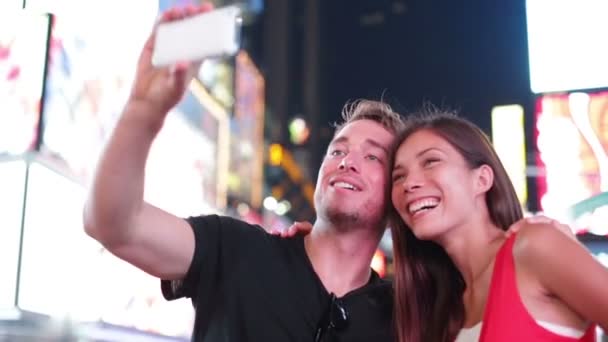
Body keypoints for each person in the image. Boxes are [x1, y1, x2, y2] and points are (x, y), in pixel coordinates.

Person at [82, 5, 403, 341]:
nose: (347, 160)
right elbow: (115, 225)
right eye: (337, 149)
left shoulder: (402, 317)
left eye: (373, 157)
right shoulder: (235, 248)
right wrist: (143, 110)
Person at [389, 107, 608, 341]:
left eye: (431, 161)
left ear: (482, 179)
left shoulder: (533, 246)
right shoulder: (441, 308)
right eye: (398, 176)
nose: (409, 183)